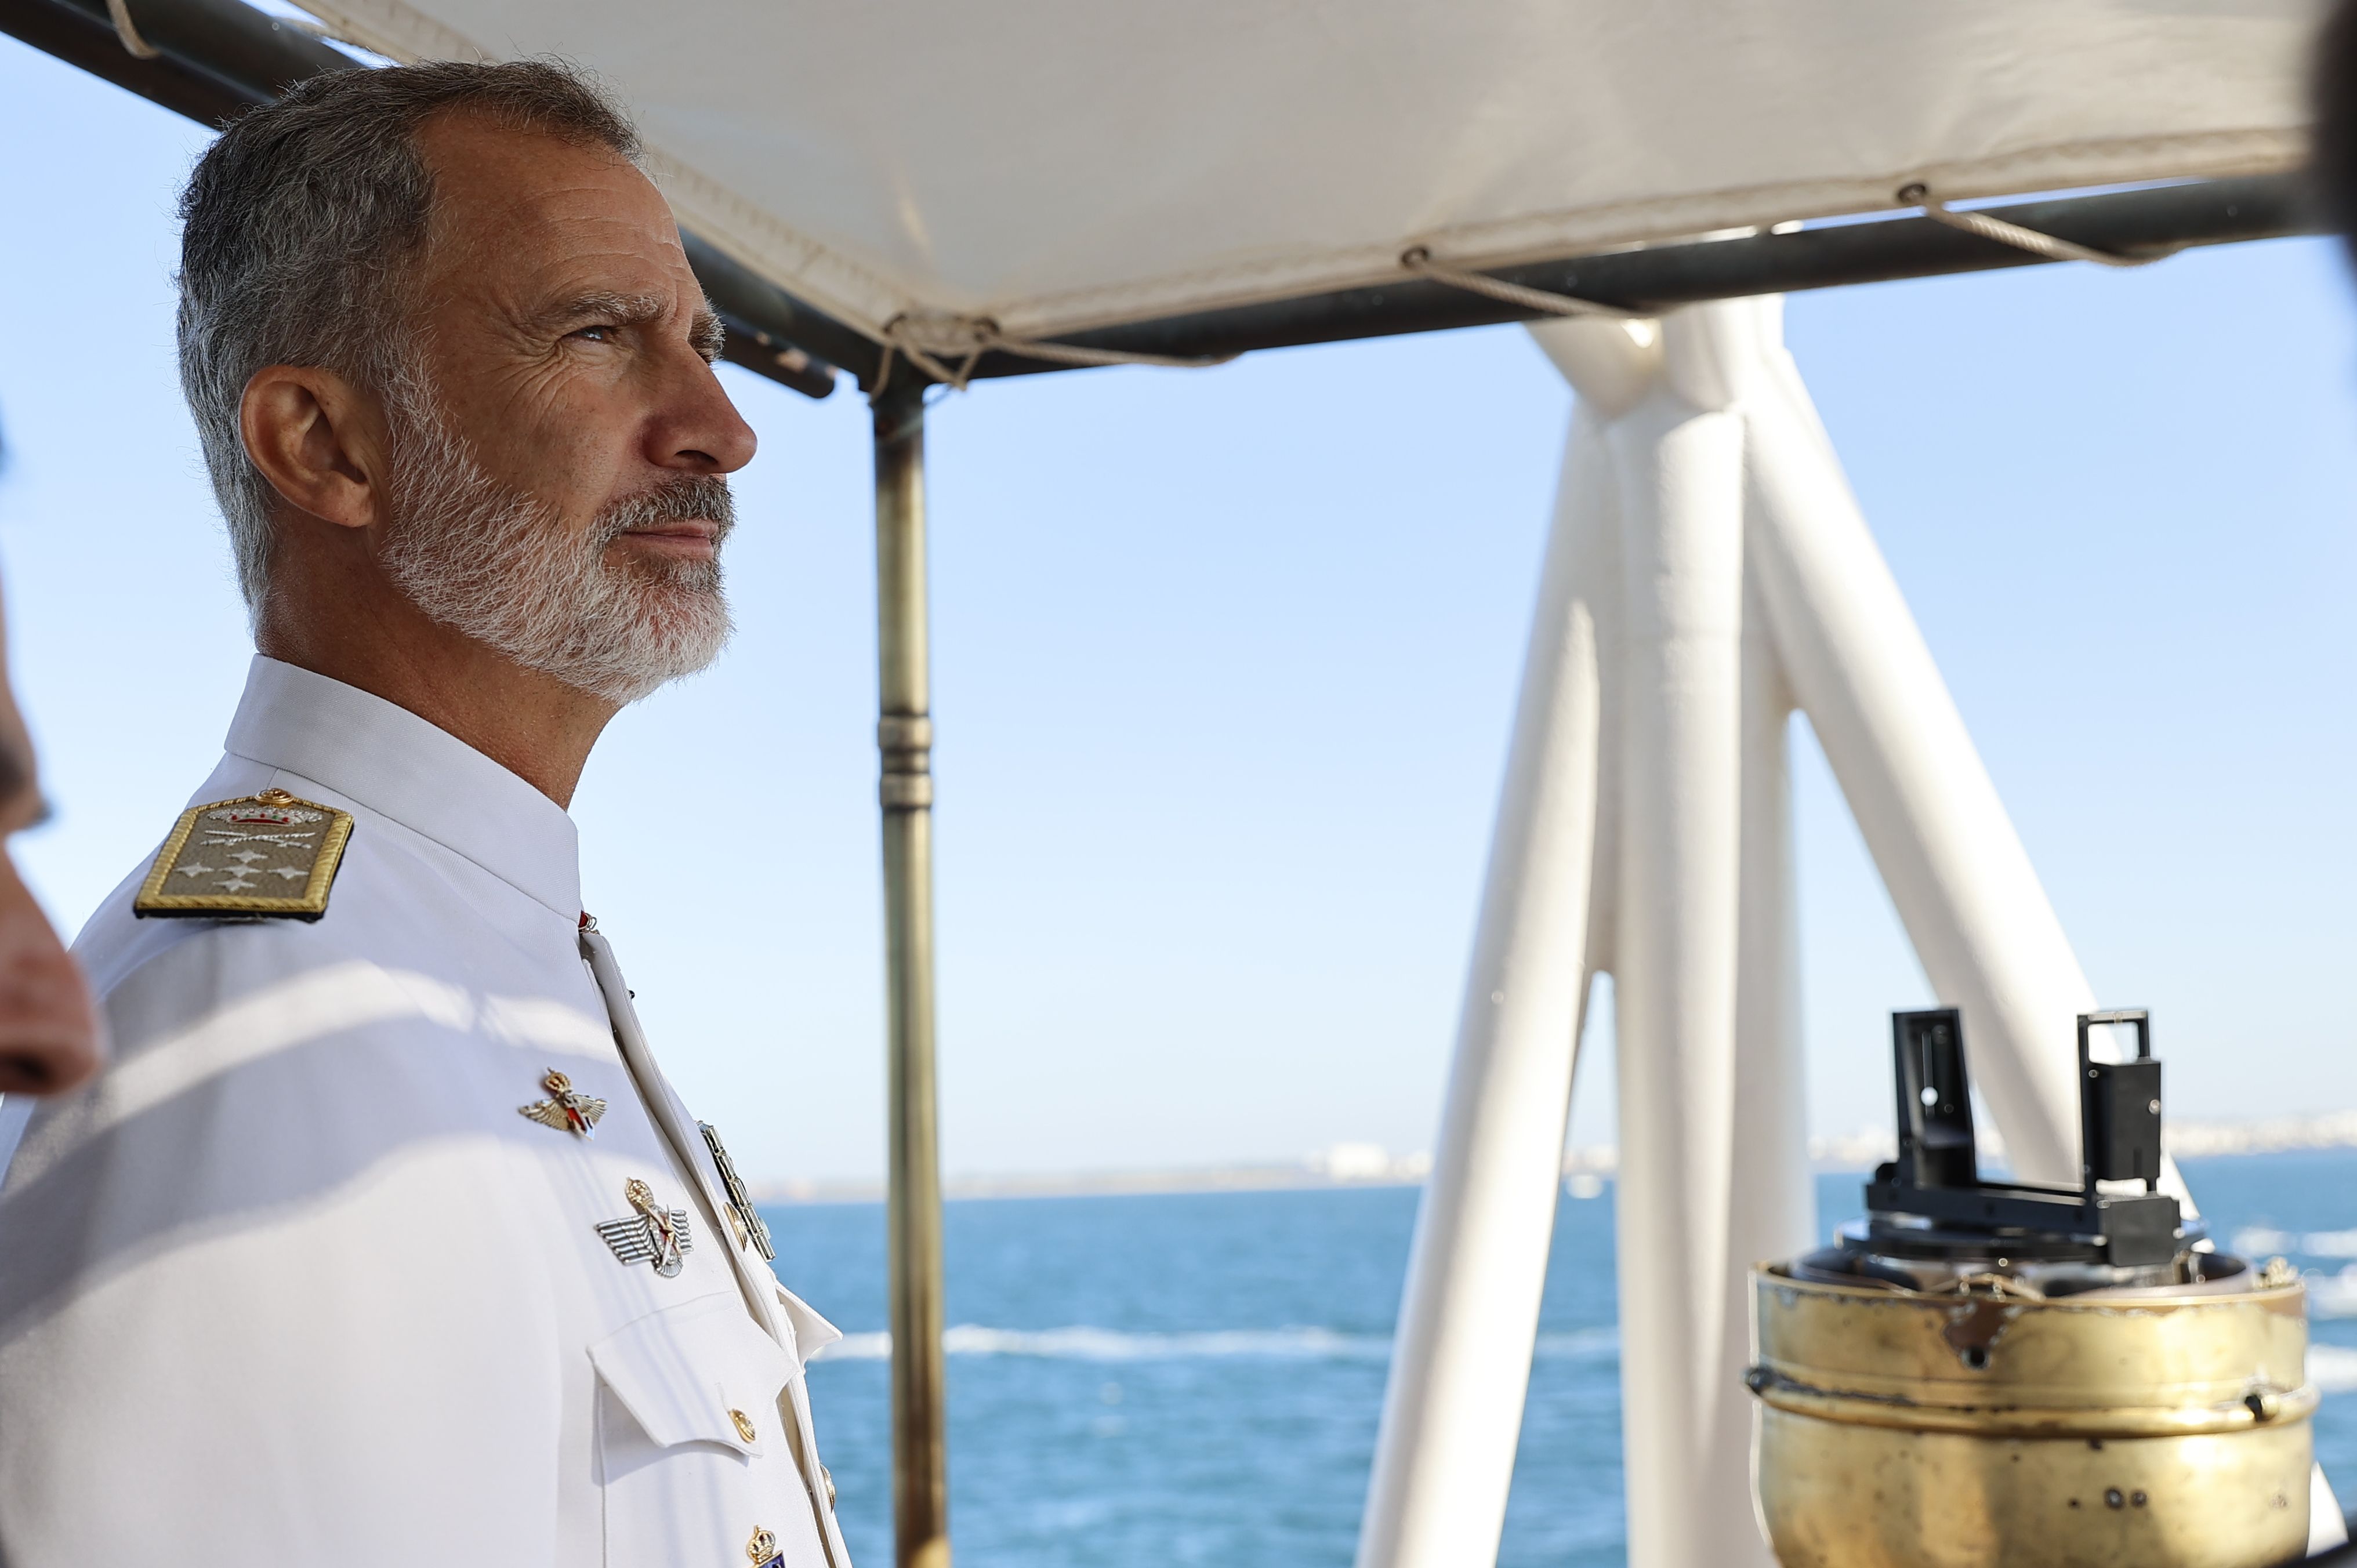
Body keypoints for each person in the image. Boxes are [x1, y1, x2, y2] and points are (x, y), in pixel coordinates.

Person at [0, 60, 850, 1567]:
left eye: (703, 346)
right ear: (325, 445)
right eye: (600, 333)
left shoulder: (485, 944)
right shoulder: (243, 1033)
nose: (722, 426)